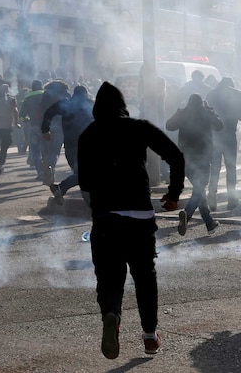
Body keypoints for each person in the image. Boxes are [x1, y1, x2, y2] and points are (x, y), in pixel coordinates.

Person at [77, 81, 185, 359]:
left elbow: (85, 182)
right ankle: (150, 336)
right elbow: (175, 156)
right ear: (123, 105)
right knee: (144, 277)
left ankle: (111, 314)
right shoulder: (140, 127)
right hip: (140, 215)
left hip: (105, 217)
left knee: (109, 277)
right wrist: (173, 194)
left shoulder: (88, 134)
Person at [166, 93, 223, 234]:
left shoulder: (183, 113)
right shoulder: (206, 113)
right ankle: (187, 214)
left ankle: (209, 223)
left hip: (185, 159)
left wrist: (179, 113)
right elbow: (220, 125)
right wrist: (211, 111)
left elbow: (169, 126)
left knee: (199, 190)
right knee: (199, 190)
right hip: (202, 158)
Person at [42, 84, 94, 205]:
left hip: (70, 147)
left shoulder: (66, 103)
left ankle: (91, 205)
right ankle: (60, 188)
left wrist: (45, 129)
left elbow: (48, 112)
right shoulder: (90, 104)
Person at [205, 77, 241, 211]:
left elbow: (206, 115)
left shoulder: (211, 94)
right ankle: (231, 198)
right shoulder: (239, 95)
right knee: (231, 167)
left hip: (214, 135)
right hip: (229, 135)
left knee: (215, 167)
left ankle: (212, 196)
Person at [0, 84, 19, 175]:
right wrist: (16, 123)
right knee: (5, 146)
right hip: (6, 126)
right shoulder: (11, 99)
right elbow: (15, 111)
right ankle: (0, 165)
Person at [19, 80, 46, 180]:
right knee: (47, 150)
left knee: (35, 150)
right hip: (47, 127)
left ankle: (40, 172)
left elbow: (21, 116)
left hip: (34, 127)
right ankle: (49, 169)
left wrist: (26, 120)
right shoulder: (47, 96)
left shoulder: (28, 98)